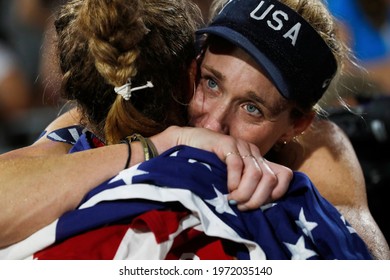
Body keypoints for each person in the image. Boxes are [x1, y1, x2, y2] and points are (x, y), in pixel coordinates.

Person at [0, 0, 388, 258]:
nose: (214, 122)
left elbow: (366, 257)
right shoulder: (142, 105)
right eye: (212, 83)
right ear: (193, 61)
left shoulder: (316, 146)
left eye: (251, 108)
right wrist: (161, 142)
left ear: (296, 124)